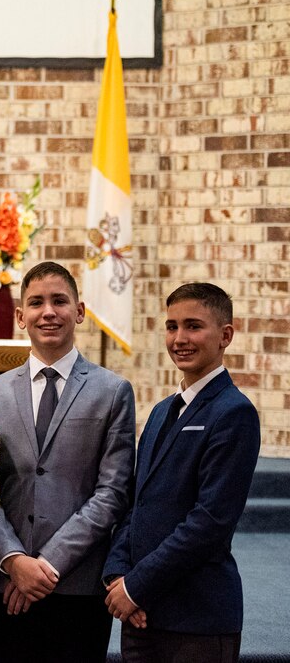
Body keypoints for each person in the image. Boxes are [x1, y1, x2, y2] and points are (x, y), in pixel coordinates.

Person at [0, 261, 135, 662]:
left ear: (79, 311)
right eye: (36, 303)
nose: (48, 312)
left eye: (60, 301)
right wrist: (13, 560)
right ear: (20, 317)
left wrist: (45, 565)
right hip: (3, 584)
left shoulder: (112, 391)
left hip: (77, 584)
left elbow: (112, 492)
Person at [104, 282, 260, 663]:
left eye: (193, 326)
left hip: (196, 620)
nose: (180, 338)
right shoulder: (161, 411)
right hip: (142, 618)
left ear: (226, 335)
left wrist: (137, 587)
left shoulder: (233, 413)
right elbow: (136, 505)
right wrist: (116, 574)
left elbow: (208, 522)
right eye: (172, 326)